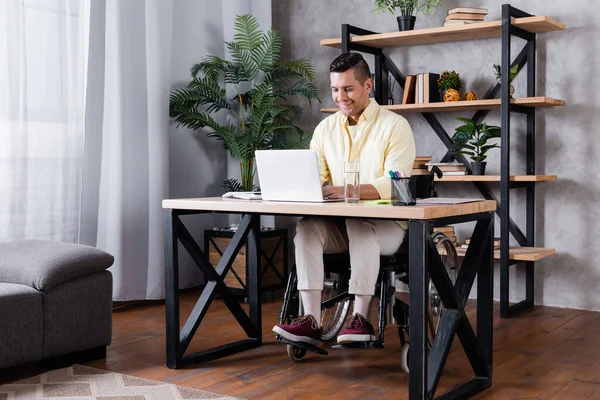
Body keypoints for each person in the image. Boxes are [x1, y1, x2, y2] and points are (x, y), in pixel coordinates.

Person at [272, 52, 416, 345]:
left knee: (360, 224)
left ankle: (360, 318)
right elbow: (317, 178)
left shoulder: (395, 126)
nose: (341, 97)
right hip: (340, 224)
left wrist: (344, 190)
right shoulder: (325, 130)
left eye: (348, 88)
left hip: (387, 228)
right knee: (307, 227)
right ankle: (311, 319)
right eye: (336, 89)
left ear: (368, 85)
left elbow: (395, 184)